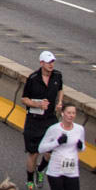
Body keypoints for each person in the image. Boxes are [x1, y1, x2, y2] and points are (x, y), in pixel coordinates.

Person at [23, 51, 64, 190]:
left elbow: (60, 89)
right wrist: (38, 105)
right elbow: (24, 99)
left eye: (52, 62)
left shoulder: (57, 76)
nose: (51, 64)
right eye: (48, 62)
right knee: (33, 153)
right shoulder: (33, 78)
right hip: (34, 120)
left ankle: (40, 170)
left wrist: (60, 102)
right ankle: (29, 180)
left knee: (50, 151)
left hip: (50, 119)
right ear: (41, 63)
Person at [38, 104, 85, 190]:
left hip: (71, 170)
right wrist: (57, 142)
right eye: (69, 112)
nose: (71, 115)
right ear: (63, 113)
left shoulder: (79, 129)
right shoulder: (53, 129)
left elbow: (82, 148)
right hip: (56, 169)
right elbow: (41, 148)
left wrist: (80, 146)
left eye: (73, 113)